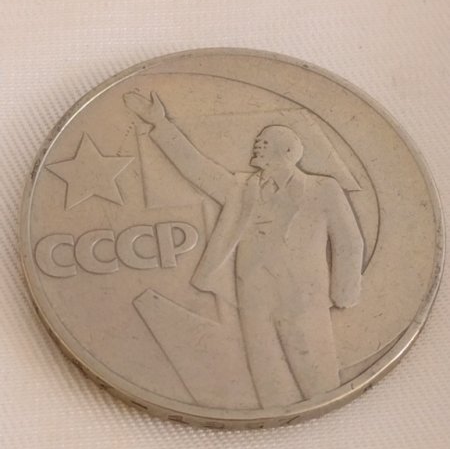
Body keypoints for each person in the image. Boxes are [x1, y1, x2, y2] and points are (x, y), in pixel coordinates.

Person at [124, 91, 364, 407]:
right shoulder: (242, 188)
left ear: (288, 151)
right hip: (253, 296)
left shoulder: (323, 188)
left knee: (319, 381)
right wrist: (161, 124)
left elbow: (348, 240)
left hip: (304, 297)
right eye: (258, 141)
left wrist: (344, 293)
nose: (257, 145)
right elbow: (197, 168)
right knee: (268, 382)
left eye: (265, 142)